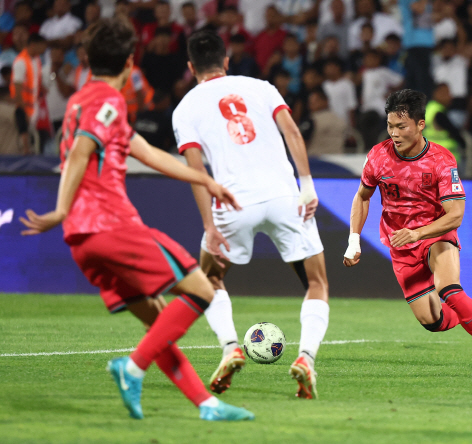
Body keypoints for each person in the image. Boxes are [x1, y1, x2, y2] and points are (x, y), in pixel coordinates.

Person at [18, 18, 256, 421]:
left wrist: (203, 178)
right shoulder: (108, 102)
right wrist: (60, 208)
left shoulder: (80, 100)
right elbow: (80, 151)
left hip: (83, 240)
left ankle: (207, 405)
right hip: (109, 225)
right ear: (131, 63)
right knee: (201, 290)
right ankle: (131, 368)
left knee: (160, 321)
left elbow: (146, 152)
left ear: (87, 59)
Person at [174, 30, 330, 399]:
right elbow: (292, 131)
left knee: (210, 278)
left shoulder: (185, 109)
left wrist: (209, 225)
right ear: (227, 61)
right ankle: (306, 358)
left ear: (190, 66)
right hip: (285, 197)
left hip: (233, 204)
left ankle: (230, 347)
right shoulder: (260, 86)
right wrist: (307, 184)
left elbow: (196, 172)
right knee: (317, 282)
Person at [343, 89, 472, 368]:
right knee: (432, 321)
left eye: (401, 126)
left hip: (435, 234)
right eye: (390, 126)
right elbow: (362, 196)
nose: (394, 133)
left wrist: (419, 233)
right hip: (400, 244)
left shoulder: (442, 160)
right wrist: (353, 239)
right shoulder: (378, 157)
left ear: (420, 125)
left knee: (449, 290)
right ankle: (471, 314)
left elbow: (455, 215)